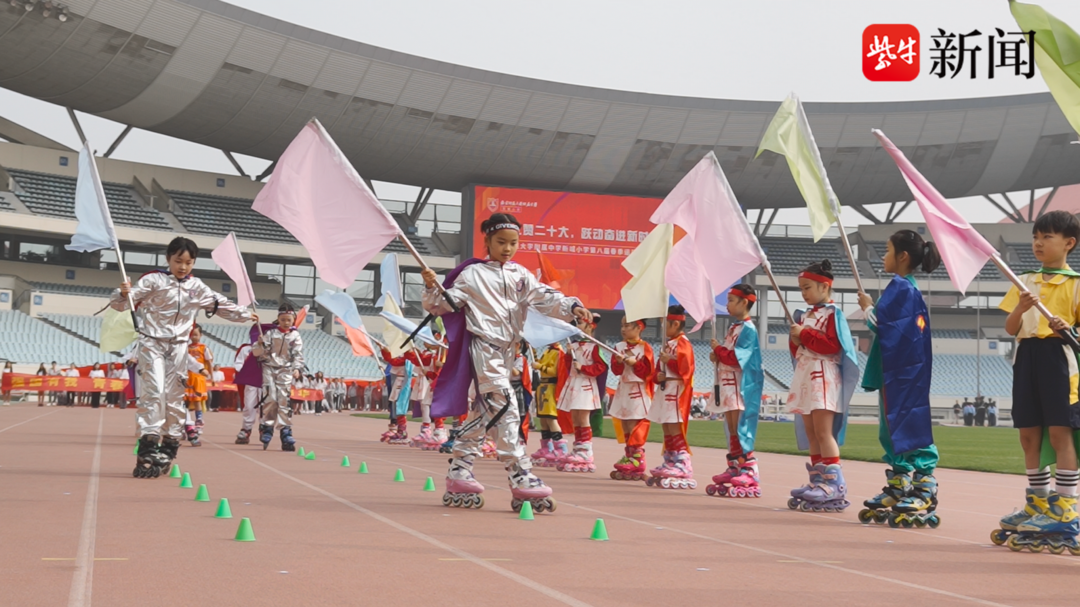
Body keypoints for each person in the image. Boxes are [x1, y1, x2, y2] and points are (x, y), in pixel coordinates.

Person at [422, 212, 591, 512]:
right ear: (487, 240)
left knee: (487, 411)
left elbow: (546, 297)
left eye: (513, 242)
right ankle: (519, 472)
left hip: (510, 352)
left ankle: (460, 468)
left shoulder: (520, 275)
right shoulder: (472, 275)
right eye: (501, 242)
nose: (508, 248)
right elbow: (442, 305)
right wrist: (432, 287)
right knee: (506, 408)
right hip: (484, 348)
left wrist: (573, 306)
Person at [113, 236, 254, 478]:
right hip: (152, 343)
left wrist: (245, 314)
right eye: (178, 261)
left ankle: (169, 446)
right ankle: (148, 442)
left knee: (175, 398)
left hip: (179, 347)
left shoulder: (196, 286)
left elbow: (219, 304)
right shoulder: (153, 280)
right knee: (155, 392)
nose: (183, 267)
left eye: (189, 262)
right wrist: (121, 293)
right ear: (168, 258)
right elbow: (121, 303)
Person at [994, 211, 1080, 551]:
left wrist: (1068, 328)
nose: (1039, 243)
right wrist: (1022, 307)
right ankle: (1038, 503)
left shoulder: (1075, 284)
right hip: (1026, 356)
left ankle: (1065, 507)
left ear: (1069, 243)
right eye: (1035, 237)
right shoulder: (1024, 280)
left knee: (1060, 431)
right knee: (1028, 433)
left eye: (1047, 237)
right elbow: (1011, 328)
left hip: (1059, 358)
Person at [857, 230, 943, 527]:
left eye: (887, 249)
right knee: (892, 425)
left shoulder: (901, 288)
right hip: (895, 369)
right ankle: (899, 482)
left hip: (904, 371)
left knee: (909, 423)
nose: (884, 256)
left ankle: (924, 485)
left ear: (903, 256)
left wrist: (867, 306)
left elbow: (882, 326)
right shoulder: (903, 287)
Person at [786, 259, 860, 512]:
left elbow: (831, 345)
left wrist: (803, 335)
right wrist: (795, 338)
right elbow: (799, 350)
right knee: (810, 432)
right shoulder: (805, 315)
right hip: (806, 373)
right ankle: (817, 480)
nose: (804, 293)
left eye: (808, 287)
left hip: (822, 374)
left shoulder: (833, 314)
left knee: (823, 431)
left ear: (824, 287)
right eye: (802, 289)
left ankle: (834, 483)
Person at [705, 284, 764, 498]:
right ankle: (734, 466)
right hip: (728, 383)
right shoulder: (734, 328)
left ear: (744, 302)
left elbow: (738, 359)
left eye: (731, 300)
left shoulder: (748, 329)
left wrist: (718, 351)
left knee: (740, 427)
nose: (727, 305)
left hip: (741, 384)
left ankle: (749, 468)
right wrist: (718, 355)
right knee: (731, 428)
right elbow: (727, 355)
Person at [645, 305, 697, 490]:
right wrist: (658, 375)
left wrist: (670, 363)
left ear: (676, 324)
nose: (663, 329)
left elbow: (686, 369)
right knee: (666, 425)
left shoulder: (683, 343)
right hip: (666, 388)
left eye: (666, 324)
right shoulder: (669, 343)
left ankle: (682, 462)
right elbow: (660, 368)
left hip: (676, 390)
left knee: (675, 425)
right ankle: (670, 460)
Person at [555, 313, 608, 473]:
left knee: (583, 417)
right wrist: (569, 355)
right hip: (574, 383)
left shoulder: (595, 346)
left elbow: (601, 367)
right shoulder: (574, 345)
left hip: (586, 385)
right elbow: (567, 366)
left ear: (590, 326)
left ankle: (586, 451)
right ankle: (578, 447)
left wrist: (584, 369)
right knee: (575, 416)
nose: (576, 326)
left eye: (579, 323)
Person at [608, 318, 654, 481]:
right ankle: (629, 457)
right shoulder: (618, 347)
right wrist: (619, 362)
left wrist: (635, 363)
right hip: (623, 389)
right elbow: (615, 370)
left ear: (638, 327)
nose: (623, 329)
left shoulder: (645, 348)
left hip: (638, 389)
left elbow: (648, 373)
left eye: (627, 326)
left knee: (635, 424)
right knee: (625, 424)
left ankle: (638, 458)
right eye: (622, 326)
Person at [256, 304, 304, 450]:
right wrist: (260, 345)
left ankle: (286, 430)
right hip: (269, 368)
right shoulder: (270, 334)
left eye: (289, 320)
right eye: (283, 319)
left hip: (286, 370)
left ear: (293, 320)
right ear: (278, 319)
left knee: (284, 399)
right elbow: (259, 354)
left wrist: (296, 368)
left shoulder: (295, 336)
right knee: (270, 397)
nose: (286, 322)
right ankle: (267, 427)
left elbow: (298, 354)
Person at [529, 342, 568, 468]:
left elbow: (554, 371)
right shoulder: (548, 351)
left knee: (551, 418)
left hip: (551, 387)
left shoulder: (558, 352)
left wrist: (540, 366)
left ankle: (560, 448)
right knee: (544, 420)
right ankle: (546, 448)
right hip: (543, 386)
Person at [182, 324, 213, 446]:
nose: (193, 337)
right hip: (187, 376)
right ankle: (185, 425)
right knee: (184, 400)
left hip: (199, 376)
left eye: (196, 334)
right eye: (191, 335)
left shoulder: (204, 348)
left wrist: (211, 376)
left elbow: (209, 363)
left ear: (201, 335)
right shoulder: (186, 348)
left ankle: (199, 422)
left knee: (197, 400)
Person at [379, 345, 415, 443]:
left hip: (403, 385)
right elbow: (393, 361)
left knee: (400, 408)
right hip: (398, 383)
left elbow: (394, 361)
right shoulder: (406, 357)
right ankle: (400, 431)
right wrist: (384, 350)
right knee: (396, 406)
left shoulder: (408, 358)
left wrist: (386, 351)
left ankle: (402, 431)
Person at [233, 329, 263, 444]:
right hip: (250, 382)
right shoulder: (246, 349)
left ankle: (264, 428)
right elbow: (238, 363)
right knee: (249, 405)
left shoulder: (269, 349)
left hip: (264, 381)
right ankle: (246, 429)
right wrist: (246, 373)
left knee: (265, 405)